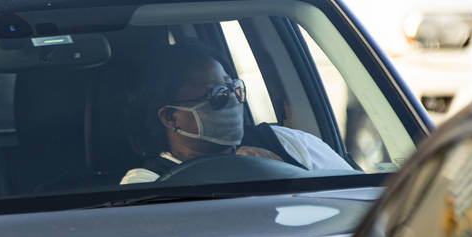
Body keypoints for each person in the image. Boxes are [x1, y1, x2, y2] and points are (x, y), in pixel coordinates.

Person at [121, 41, 353, 184]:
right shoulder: (147, 182)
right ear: (171, 117)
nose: (232, 99)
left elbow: (354, 195)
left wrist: (286, 172)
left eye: (235, 89)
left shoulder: (287, 141)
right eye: (218, 95)